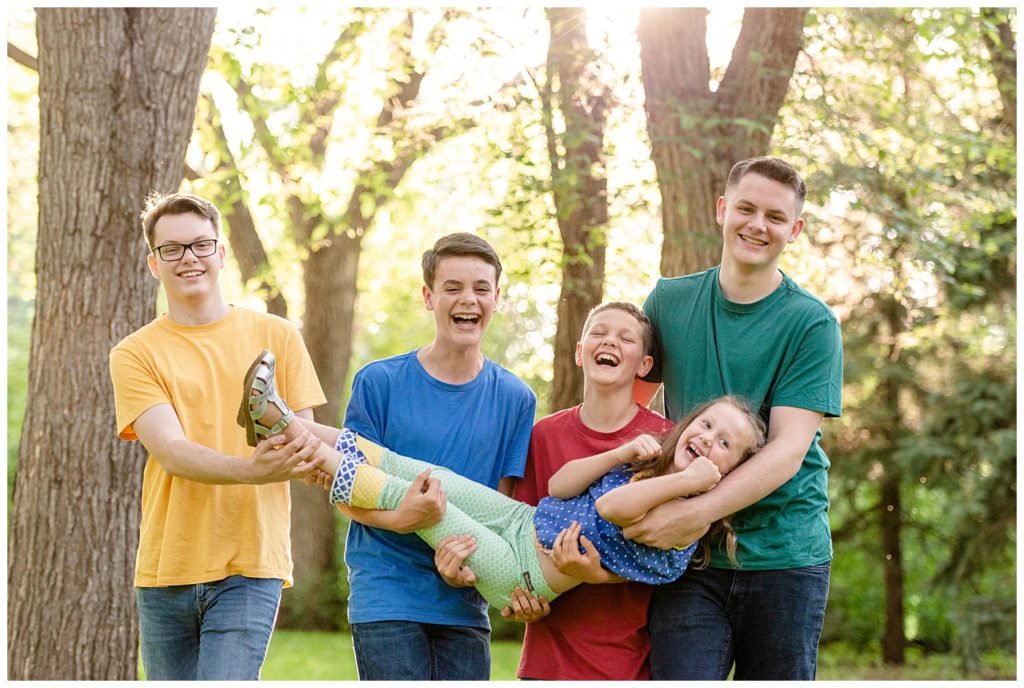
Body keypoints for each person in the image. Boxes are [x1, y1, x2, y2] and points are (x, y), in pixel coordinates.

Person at [236, 349, 766, 610]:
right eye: (707, 426)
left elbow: (614, 512)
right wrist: (621, 452)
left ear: (729, 472)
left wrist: (692, 483)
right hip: (523, 519)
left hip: (519, 573)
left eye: (725, 445)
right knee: (427, 472)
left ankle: (284, 432)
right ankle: (291, 422)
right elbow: (561, 487)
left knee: (426, 501)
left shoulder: (685, 520)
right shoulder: (644, 465)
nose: (709, 441)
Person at [632, 156, 844, 680]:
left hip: (784, 555)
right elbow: (629, 414)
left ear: (794, 230)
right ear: (722, 209)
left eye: (775, 216)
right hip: (688, 558)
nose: (757, 224)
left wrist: (694, 511)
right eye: (745, 208)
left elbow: (787, 450)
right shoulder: (669, 302)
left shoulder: (810, 324)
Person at [109, 192, 327, 680]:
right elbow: (171, 451)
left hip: (250, 563)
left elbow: (302, 437)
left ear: (222, 254)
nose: (189, 257)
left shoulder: (279, 335)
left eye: (201, 245)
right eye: (172, 249)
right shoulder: (134, 353)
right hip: (167, 566)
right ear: (153, 264)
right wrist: (251, 471)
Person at [336, 233, 536, 680]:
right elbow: (346, 490)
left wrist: (471, 572)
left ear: (497, 298)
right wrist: (400, 519)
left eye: (481, 288)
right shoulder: (379, 383)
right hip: (386, 595)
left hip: (464, 603)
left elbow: (499, 512)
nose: (469, 299)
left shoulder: (516, 399)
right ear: (429, 297)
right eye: (453, 287)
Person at [439, 302, 675, 680]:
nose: (609, 341)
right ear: (580, 352)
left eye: (625, 337)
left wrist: (597, 571)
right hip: (546, 659)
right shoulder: (544, 435)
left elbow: (669, 551)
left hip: (627, 661)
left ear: (644, 365)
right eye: (598, 332)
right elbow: (515, 542)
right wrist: (523, 600)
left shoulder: (664, 441)